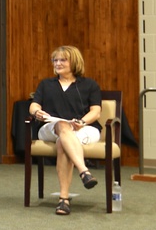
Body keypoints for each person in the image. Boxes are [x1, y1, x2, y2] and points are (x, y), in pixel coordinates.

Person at [28, 46, 102, 216]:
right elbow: (34, 104)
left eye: (63, 60)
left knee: (63, 141)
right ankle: (84, 171)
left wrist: (82, 122)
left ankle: (63, 200)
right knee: (62, 126)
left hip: (84, 128)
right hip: (51, 126)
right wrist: (36, 111)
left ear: (74, 62)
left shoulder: (89, 84)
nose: (58, 63)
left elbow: (96, 111)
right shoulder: (46, 84)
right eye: (55, 60)